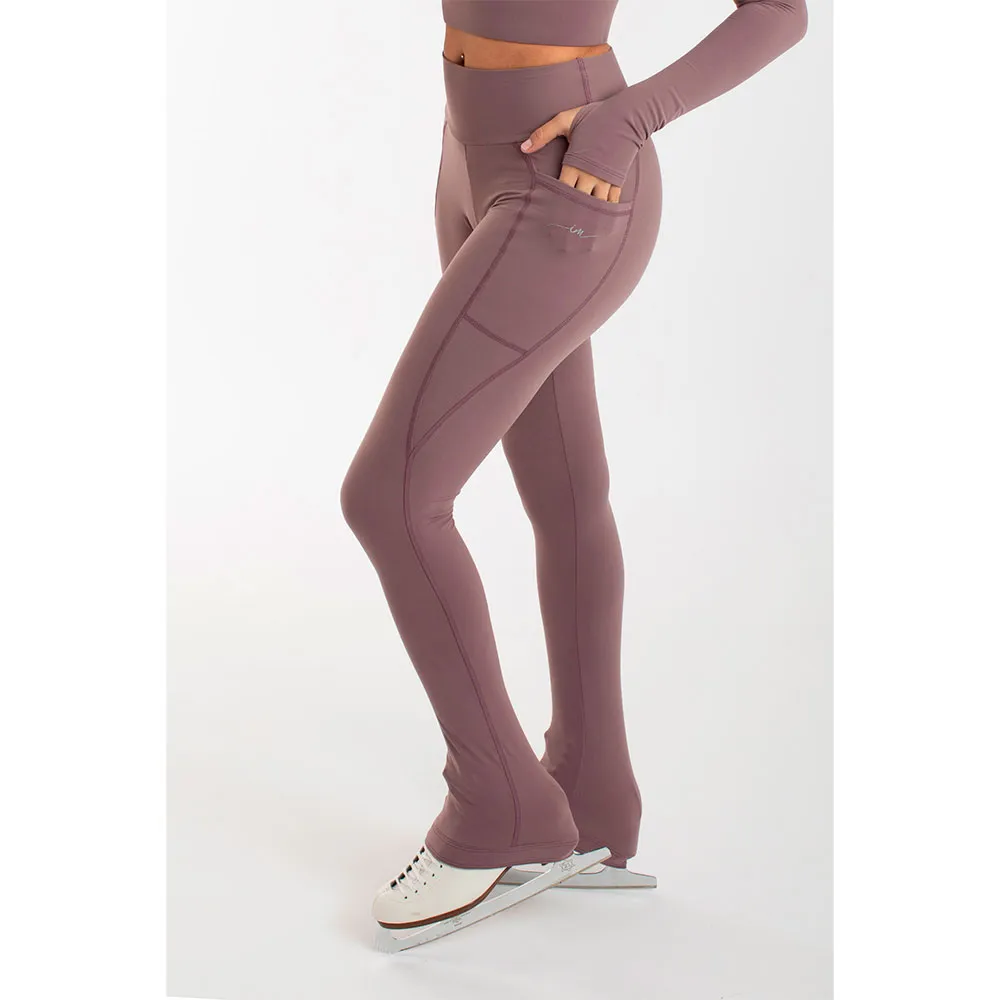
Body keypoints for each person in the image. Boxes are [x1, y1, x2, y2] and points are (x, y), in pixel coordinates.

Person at [340, 0, 809, 951]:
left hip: (569, 174)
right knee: (561, 495)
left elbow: (780, 13)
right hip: (471, 148)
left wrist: (626, 120)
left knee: (390, 497)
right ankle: (592, 797)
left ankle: (499, 809)